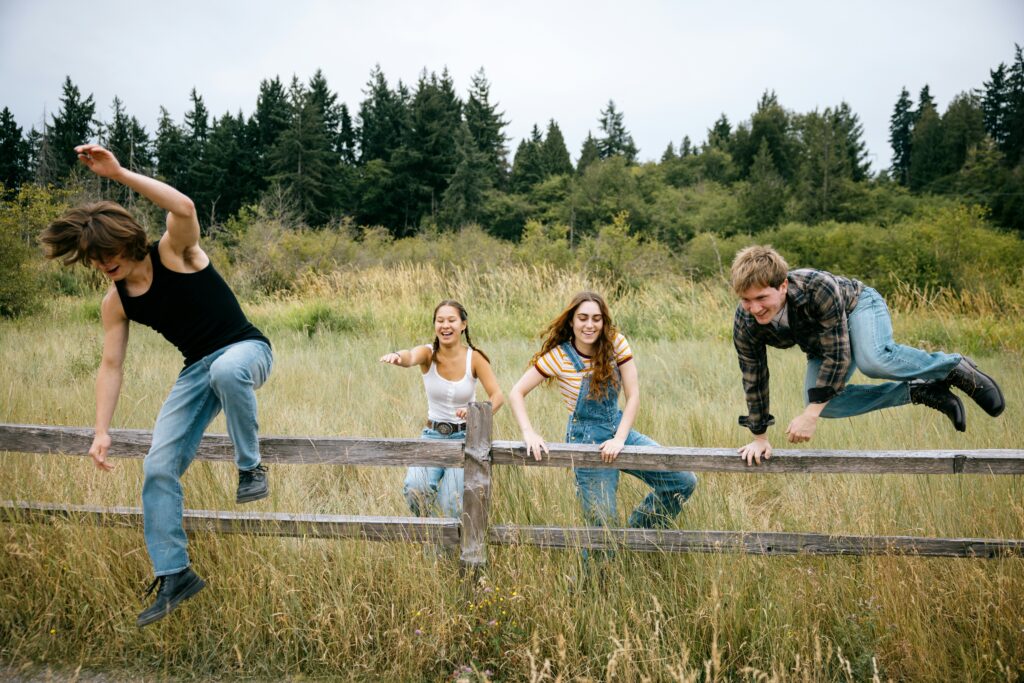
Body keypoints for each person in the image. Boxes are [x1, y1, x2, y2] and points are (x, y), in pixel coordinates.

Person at [40, 145, 274, 627]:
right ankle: (175, 574)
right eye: (93, 259)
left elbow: (183, 207)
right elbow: (111, 365)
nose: (103, 264)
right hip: (197, 371)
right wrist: (100, 432)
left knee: (227, 370)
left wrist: (118, 172)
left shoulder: (174, 253)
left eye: (107, 254)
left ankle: (250, 469)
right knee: (158, 465)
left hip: (246, 350)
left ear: (126, 241)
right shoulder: (116, 301)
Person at [731, 245, 1005, 466]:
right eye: (746, 300)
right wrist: (759, 437)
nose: (754, 308)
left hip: (857, 307)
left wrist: (810, 416)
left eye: (761, 298)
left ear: (782, 286)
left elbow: (838, 354)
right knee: (828, 404)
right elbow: (754, 378)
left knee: (872, 360)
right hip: (823, 342)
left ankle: (953, 368)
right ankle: (920, 392)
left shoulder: (817, 287)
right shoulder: (745, 323)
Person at [508, 291, 697, 535]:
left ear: (603, 321)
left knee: (682, 481)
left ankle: (635, 533)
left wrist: (619, 439)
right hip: (585, 440)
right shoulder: (559, 357)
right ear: (572, 321)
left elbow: (633, 396)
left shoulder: (616, 344)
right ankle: (601, 566)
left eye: (596, 318)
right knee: (603, 524)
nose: (590, 324)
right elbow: (516, 392)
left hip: (619, 429)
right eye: (583, 318)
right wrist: (529, 433)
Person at [380, 300, 503, 518]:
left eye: (451, 320)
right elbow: (410, 356)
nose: (445, 326)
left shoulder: (474, 358)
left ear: (463, 325)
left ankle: (442, 550)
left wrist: (478, 412)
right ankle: (430, 532)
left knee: (451, 505)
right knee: (414, 489)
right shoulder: (428, 353)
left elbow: (498, 396)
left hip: (465, 437)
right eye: (440, 321)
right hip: (433, 435)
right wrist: (397, 356)